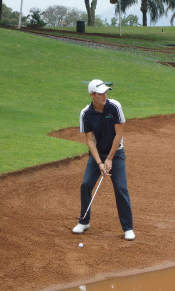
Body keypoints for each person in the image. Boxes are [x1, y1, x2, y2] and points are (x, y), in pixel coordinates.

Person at [72, 79, 135, 241]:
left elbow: (119, 134)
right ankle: (84, 221)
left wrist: (110, 159)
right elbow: (90, 140)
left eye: (105, 92)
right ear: (92, 94)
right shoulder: (85, 113)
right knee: (86, 185)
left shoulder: (114, 107)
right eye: (100, 93)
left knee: (121, 188)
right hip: (97, 155)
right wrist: (100, 162)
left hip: (116, 153)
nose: (104, 96)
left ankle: (128, 228)